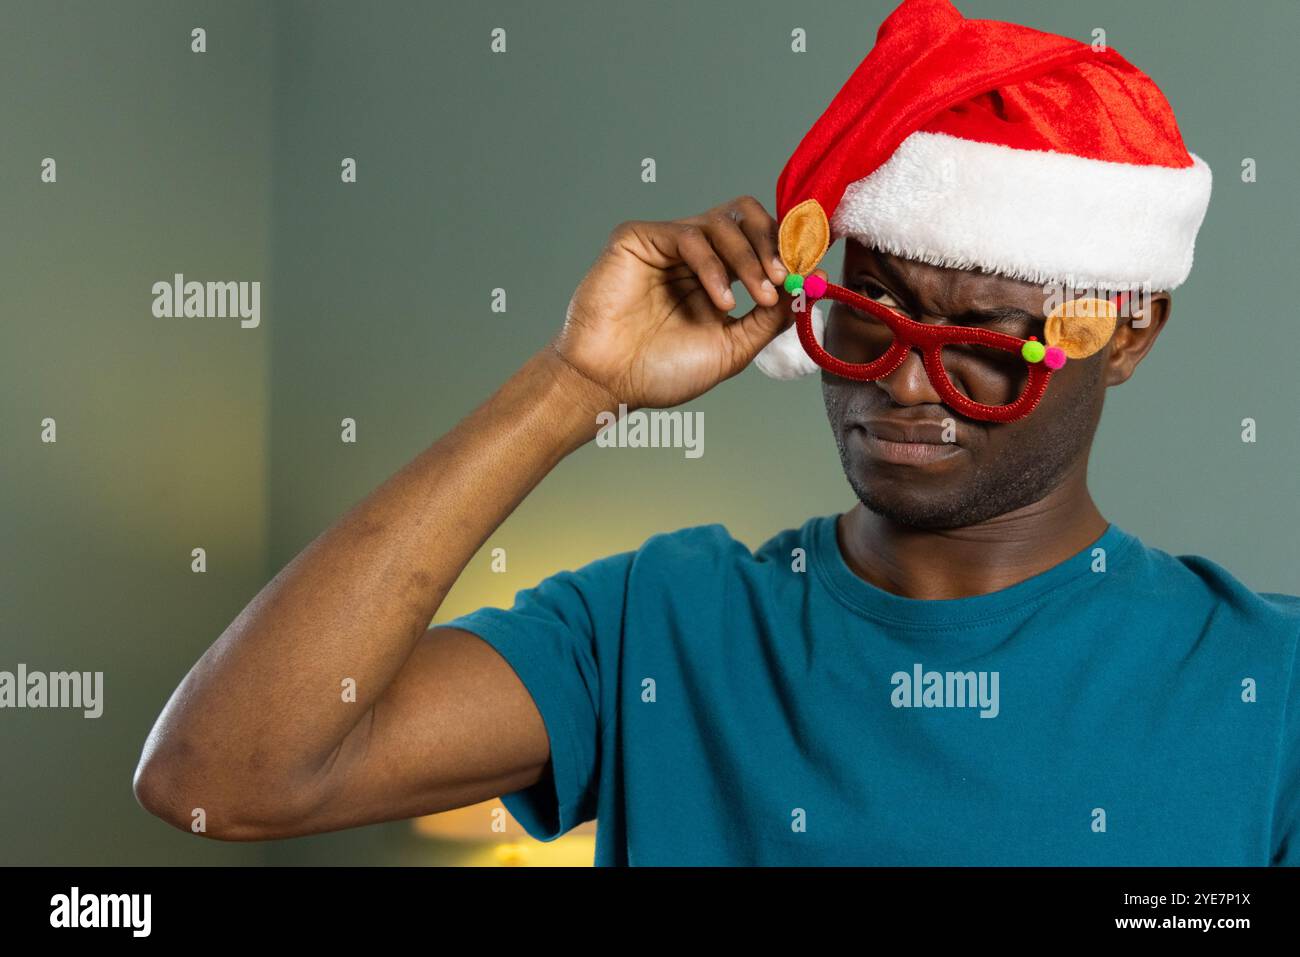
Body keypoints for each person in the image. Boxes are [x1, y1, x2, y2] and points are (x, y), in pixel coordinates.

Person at [133, 0, 1300, 865]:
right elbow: (218, 777)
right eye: (866, 316)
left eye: (985, 340)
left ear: (1126, 334)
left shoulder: (1269, 685)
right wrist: (572, 385)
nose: (901, 383)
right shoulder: (663, 626)